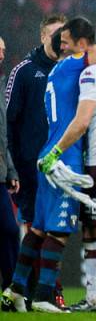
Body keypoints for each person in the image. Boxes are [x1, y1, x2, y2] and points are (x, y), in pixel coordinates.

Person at [1, 19, 96, 313]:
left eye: (65, 40)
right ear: (81, 45)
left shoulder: (54, 72)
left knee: (38, 229)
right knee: (58, 232)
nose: (63, 45)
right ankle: (42, 296)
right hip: (63, 158)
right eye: (63, 41)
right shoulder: (71, 66)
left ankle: (16, 289)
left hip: (46, 153)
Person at [38, 16, 96, 313]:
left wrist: (55, 152)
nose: (61, 47)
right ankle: (94, 299)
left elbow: (80, 123)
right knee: (91, 229)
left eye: (65, 41)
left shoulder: (91, 74)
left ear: (81, 43)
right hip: (95, 159)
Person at [5, 14, 67, 308]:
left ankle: (41, 292)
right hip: (30, 169)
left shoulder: (71, 71)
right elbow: (7, 123)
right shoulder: (24, 71)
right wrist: (13, 167)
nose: (59, 40)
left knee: (56, 231)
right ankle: (32, 291)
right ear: (43, 36)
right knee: (34, 231)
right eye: (54, 34)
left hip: (62, 169)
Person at [0, 36, 21, 294]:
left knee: (8, 229)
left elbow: (2, 134)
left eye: (3, 51)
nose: (2, 55)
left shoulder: (2, 83)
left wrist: (11, 170)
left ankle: (12, 288)